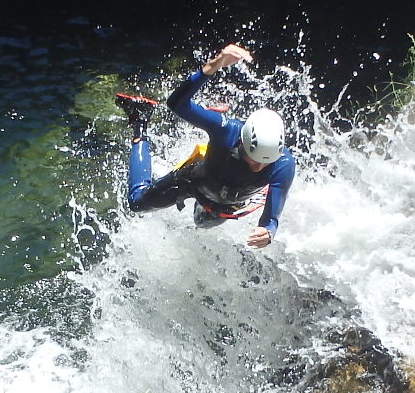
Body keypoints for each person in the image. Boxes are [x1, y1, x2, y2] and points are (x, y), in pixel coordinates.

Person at [118, 44, 295, 250]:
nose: (258, 167)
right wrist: (213, 65)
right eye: (253, 159)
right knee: (137, 203)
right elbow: (176, 103)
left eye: (266, 163)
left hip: (226, 203)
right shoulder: (227, 130)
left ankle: (209, 113)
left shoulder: (284, 165)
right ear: (242, 143)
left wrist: (267, 233)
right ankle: (140, 119)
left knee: (200, 223)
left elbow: (271, 219)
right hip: (192, 180)